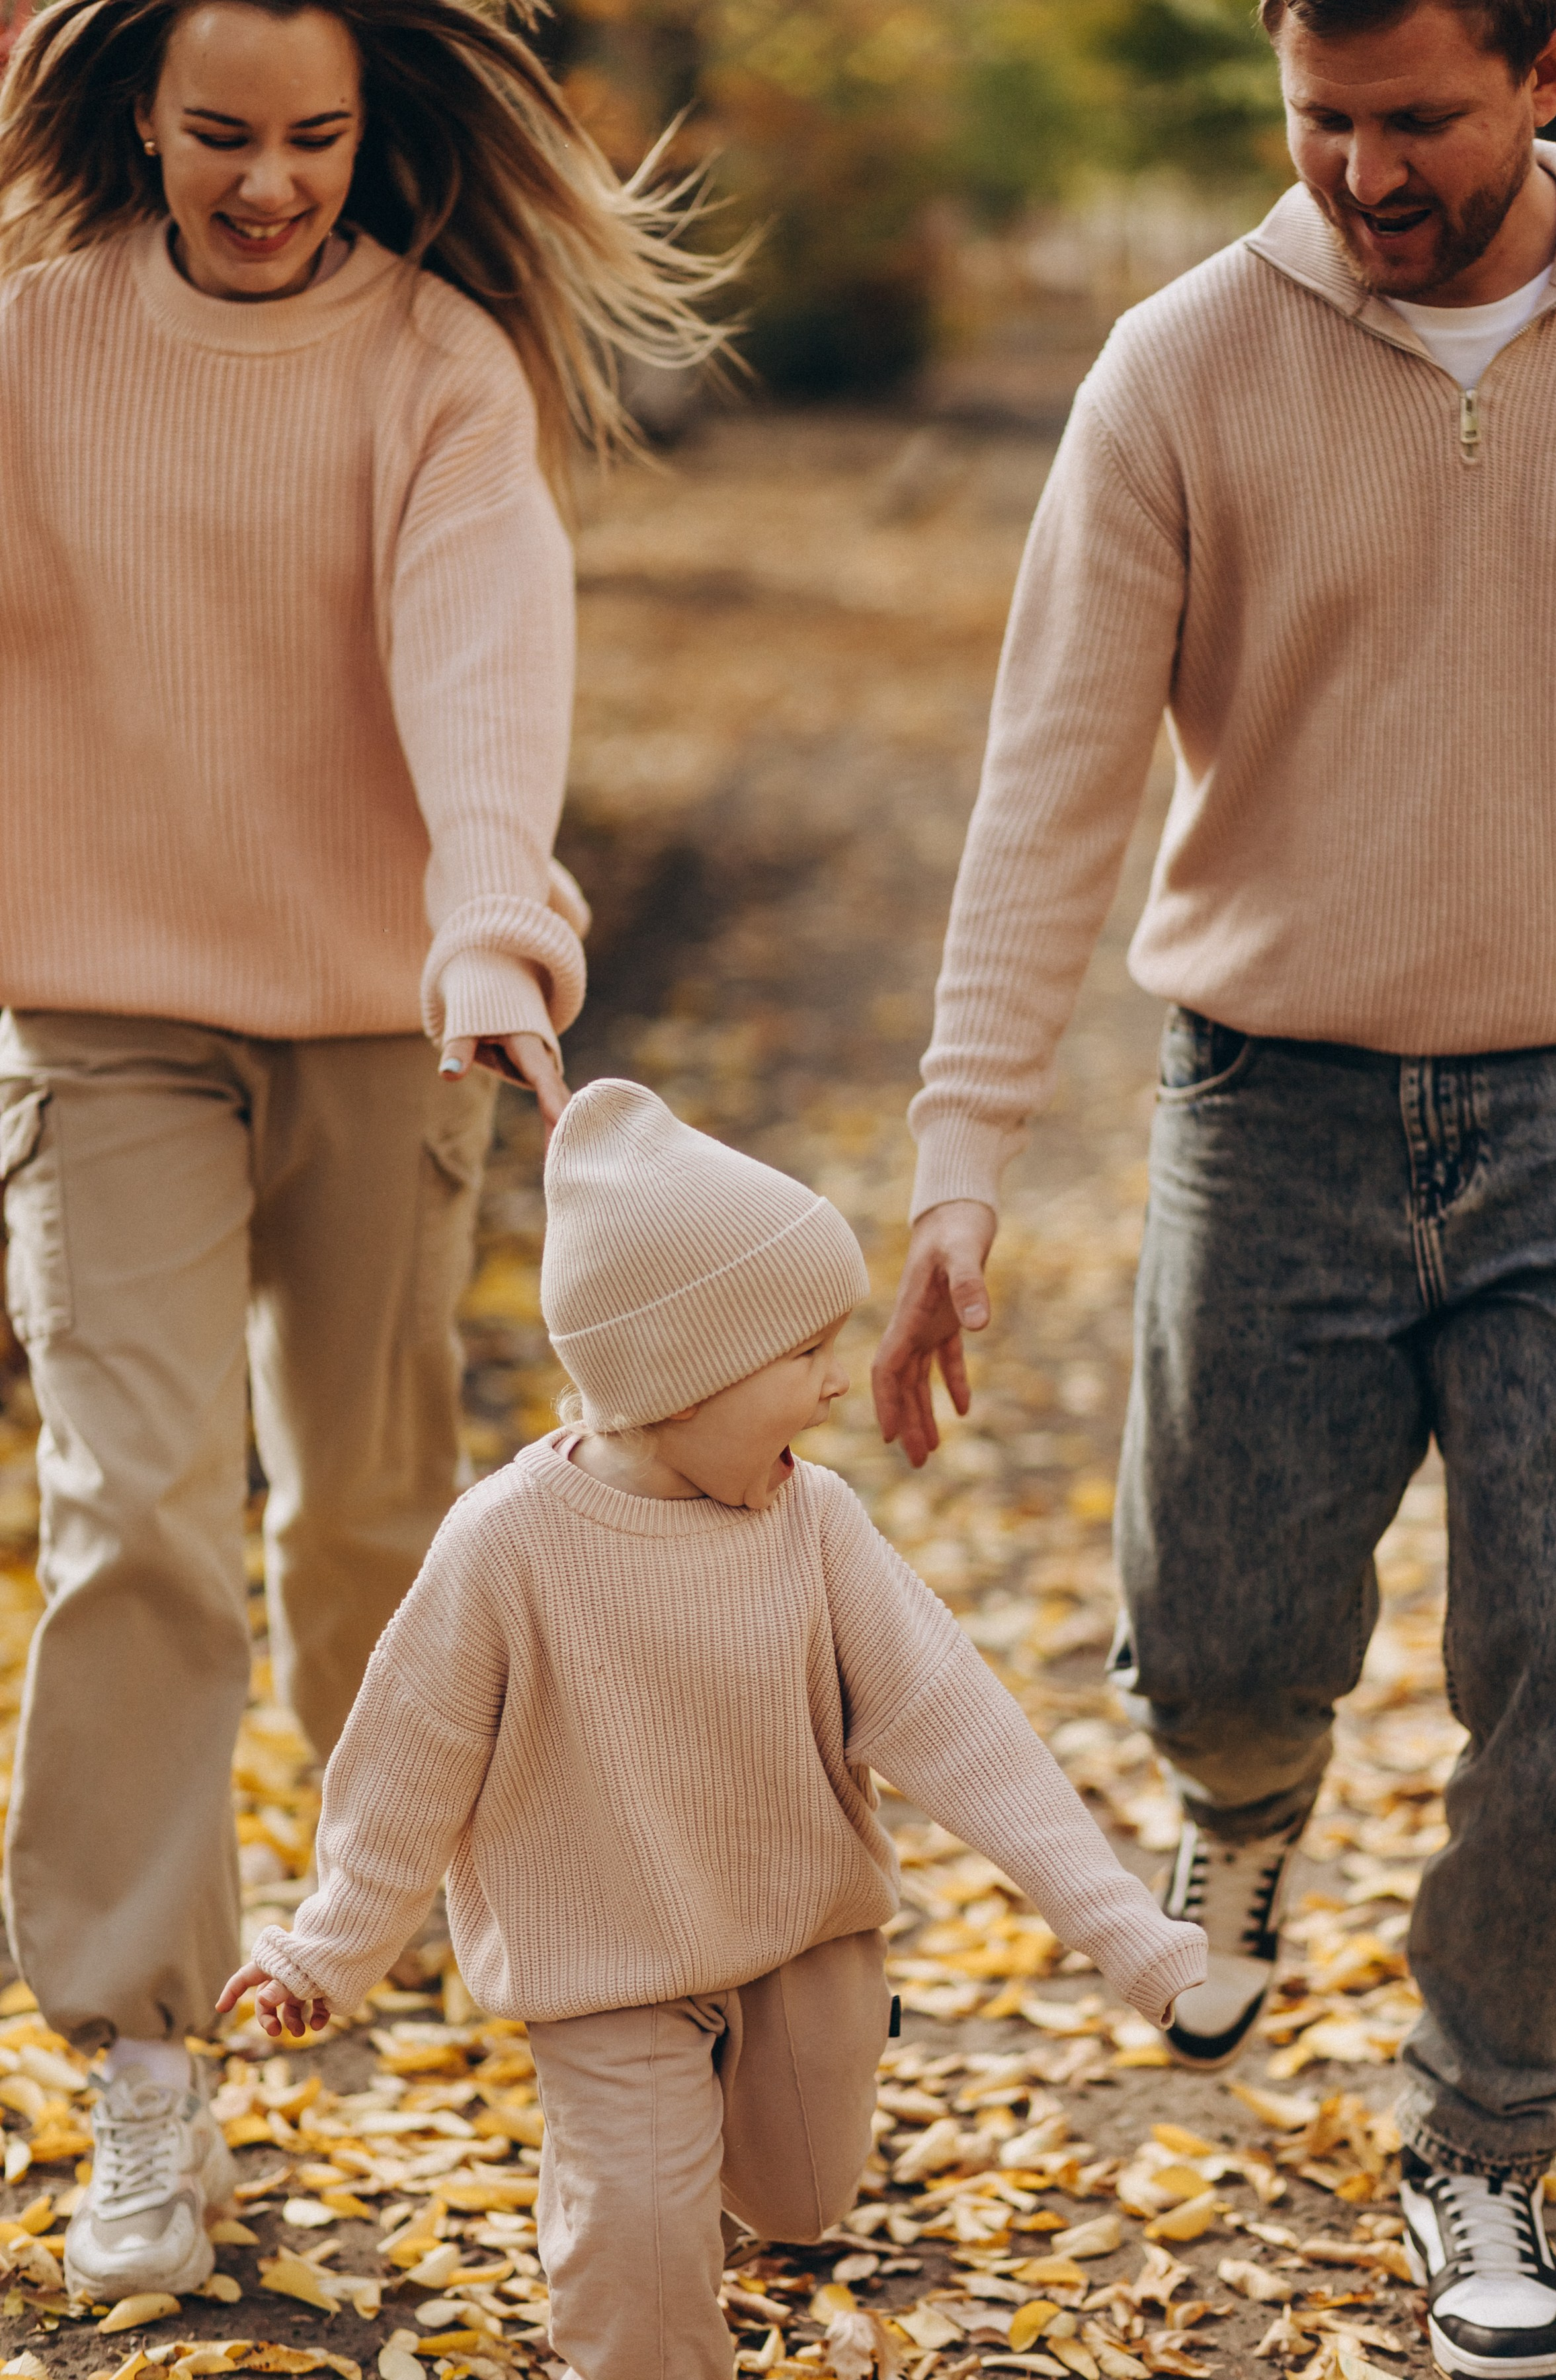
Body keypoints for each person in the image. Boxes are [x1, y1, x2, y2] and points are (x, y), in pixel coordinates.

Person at [872, 1, 1556, 2373]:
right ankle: (1243, 1798)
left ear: (1551, 71)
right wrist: (960, 1160)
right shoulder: (1180, 368)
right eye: (1322, 117)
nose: (1363, 173)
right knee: (1218, 1638)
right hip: (1272, 1106)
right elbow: (1053, 780)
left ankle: (1485, 2139)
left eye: (1419, 118)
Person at [0, 0, 728, 2303]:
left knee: (370, 1520)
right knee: (137, 1507)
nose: (271, 181)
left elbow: (480, 653)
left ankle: (477, 1918)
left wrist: (492, 922)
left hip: (385, 1009)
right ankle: (145, 2054)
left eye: (314, 136)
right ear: (138, 111)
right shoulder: (35, 346)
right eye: (223, 132)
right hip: (98, 1011)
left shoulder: (434, 365)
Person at [217, 1078, 1208, 2380]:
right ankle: (627, 2255)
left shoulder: (816, 1523)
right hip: (606, 1959)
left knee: (803, 2197)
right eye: (806, 1355)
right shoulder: (506, 1547)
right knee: (639, 2241)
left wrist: (1128, 1932)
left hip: (800, 1930)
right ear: (679, 1385)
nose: (838, 1384)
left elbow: (964, 1728)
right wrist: (326, 1949)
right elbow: (409, 1761)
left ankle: (689, 2163)